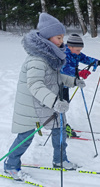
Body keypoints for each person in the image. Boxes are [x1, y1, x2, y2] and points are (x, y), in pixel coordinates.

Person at [3, 13, 86, 181]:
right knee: (26, 136)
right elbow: (36, 85)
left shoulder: (51, 57)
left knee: (60, 129)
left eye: (62, 37)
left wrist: (73, 81)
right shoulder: (37, 60)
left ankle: (60, 160)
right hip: (32, 105)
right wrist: (56, 102)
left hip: (46, 103)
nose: (62, 41)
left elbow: (56, 78)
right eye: (58, 37)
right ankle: (11, 165)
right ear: (48, 38)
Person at [60, 33, 100, 137]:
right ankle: (61, 127)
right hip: (58, 84)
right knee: (60, 105)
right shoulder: (63, 54)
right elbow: (65, 69)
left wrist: (98, 62)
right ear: (70, 46)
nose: (79, 52)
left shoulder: (76, 54)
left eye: (80, 50)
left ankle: (60, 123)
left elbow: (86, 59)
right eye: (77, 50)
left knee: (65, 104)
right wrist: (79, 72)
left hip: (66, 85)